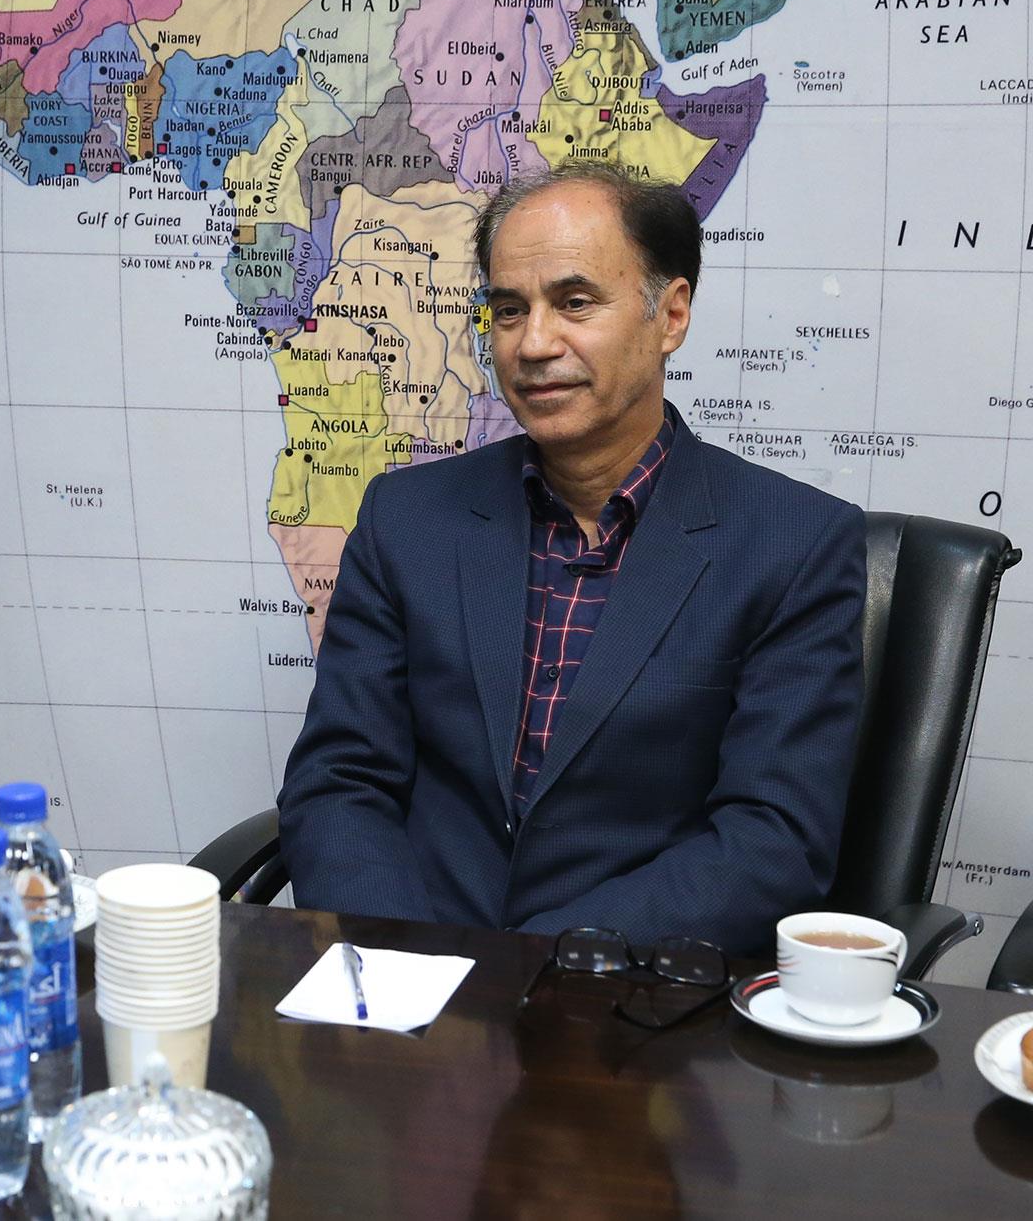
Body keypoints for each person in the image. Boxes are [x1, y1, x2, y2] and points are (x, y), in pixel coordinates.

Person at [277, 163, 865, 954]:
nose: (533, 343)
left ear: (671, 315)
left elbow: (772, 842)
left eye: (575, 302)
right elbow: (341, 781)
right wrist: (405, 961)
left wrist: (529, 968)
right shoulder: (406, 519)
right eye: (508, 310)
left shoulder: (793, 544)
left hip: (629, 994)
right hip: (409, 977)